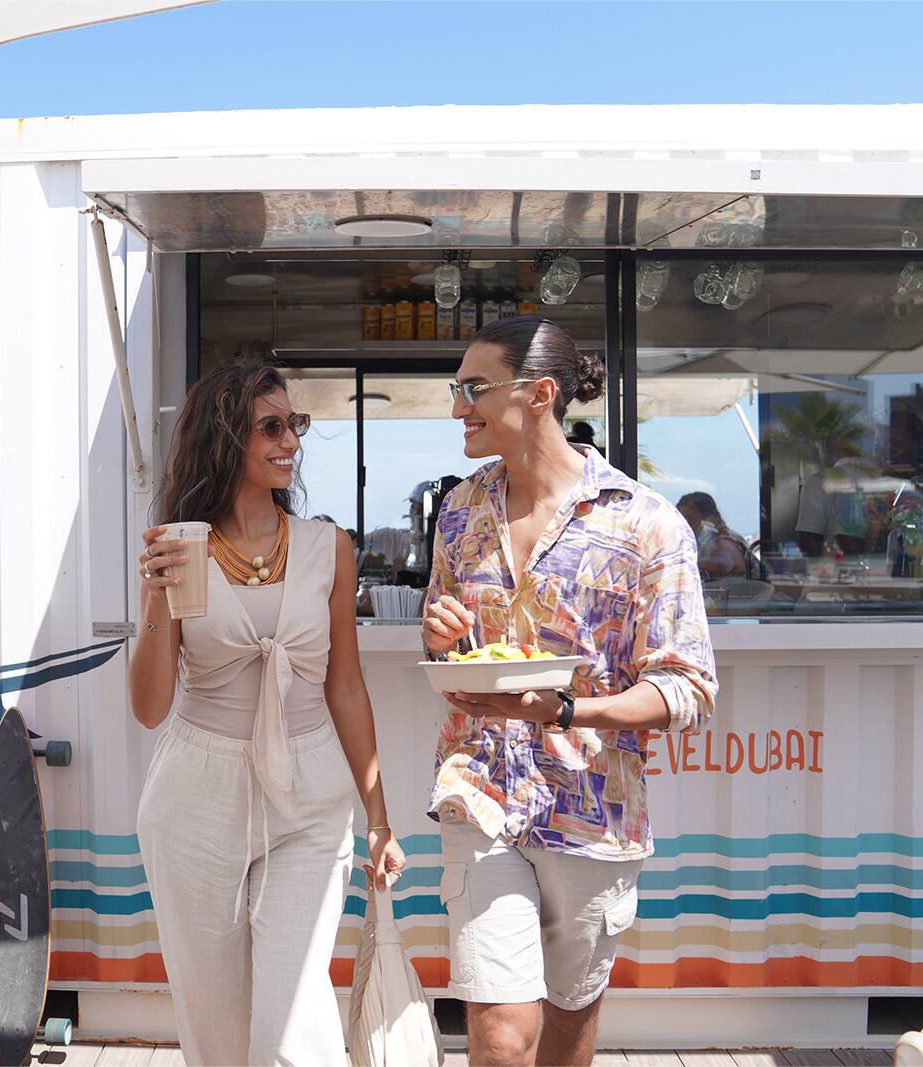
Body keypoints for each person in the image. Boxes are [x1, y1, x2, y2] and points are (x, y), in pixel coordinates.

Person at [421, 317, 719, 1067]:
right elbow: (450, 649)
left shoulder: (647, 524)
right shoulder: (458, 512)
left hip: (593, 805)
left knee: (567, 1023)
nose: (457, 407)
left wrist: (567, 710)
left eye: (473, 389)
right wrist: (440, 636)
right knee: (499, 1035)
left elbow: (687, 687)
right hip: (481, 789)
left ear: (540, 393)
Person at [129, 359, 406, 1066]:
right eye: (271, 427)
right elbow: (150, 707)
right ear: (226, 439)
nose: (292, 441)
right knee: (217, 1032)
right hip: (196, 792)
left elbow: (347, 687)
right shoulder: (181, 547)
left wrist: (379, 818)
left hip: (310, 795)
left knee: (292, 1026)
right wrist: (155, 602)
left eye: (295, 424)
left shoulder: (327, 548)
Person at [677, 491, 755, 581]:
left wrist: (685, 561)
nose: (684, 525)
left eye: (689, 519)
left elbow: (723, 563)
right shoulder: (697, 539)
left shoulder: (721, 538)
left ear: (703, 518)